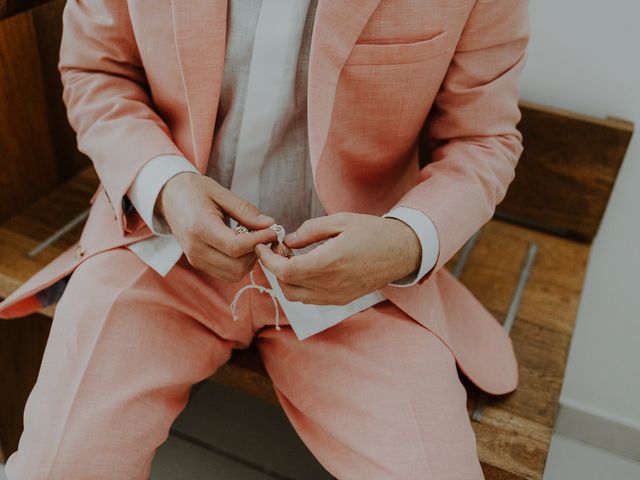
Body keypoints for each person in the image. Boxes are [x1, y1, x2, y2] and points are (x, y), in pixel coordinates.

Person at [0, 0, 529, 478]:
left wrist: (402, 243)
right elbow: (97, 74)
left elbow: (481, 140)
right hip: (159, 250)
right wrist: (166, 187)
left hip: (363, 285)